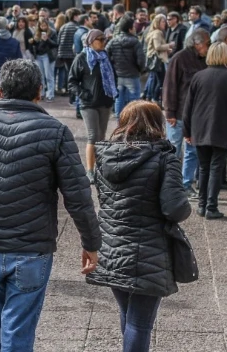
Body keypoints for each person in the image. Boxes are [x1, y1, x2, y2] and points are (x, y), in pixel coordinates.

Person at [0, 60, 101, 351]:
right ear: (38, 92)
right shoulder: (55, 132)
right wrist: (91, 241)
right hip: (32, 249)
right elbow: (78, 196)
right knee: (17, 335)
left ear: (0, 90)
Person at [87, 100, 192, 351]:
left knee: (129, 316)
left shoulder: (105, 156)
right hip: (149, 250)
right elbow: (175, 208)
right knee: (140, 323)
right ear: (158, 125)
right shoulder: (164, 157)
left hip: (111, 246)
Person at [183, 42, 227, 219]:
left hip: (199, 127)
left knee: (203, 167)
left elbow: (188, 106)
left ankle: (202, 205)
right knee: (216, 167)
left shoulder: (198, 76)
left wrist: (187, 131)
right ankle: (211, 207)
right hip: (221, 126)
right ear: (224, 56)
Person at [163, 29, 211, 194]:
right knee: (173, 150)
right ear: (197, 44)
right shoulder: (180, 58)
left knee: (192, 151)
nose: (208, 47)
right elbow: (169, 86)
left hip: (195, 114)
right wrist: (169, 112)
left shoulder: (204, 60)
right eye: (207, 43)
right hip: (179, 113)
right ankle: (170, 185)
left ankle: (185, 184)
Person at [68, 30, 117, 183]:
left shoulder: (106, 57)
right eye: (100, 39)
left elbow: (112, 77)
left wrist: (113, 92)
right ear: (90, 41)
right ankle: (89, 171)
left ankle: (100, 169)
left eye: (105, 39)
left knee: (102, 138)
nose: (103, 42)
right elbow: (72, 81)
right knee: (92, 136)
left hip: (105, 102)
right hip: (88, 104)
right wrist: (83, 94)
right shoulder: (82, 58)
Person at [106, 16, 146, 118]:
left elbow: (105, 56)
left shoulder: (113, 41)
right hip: (132, 75)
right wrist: (140, 70)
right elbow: (141, 60)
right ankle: (133, 121)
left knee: (119, 99)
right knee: (134, 101)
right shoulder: (136, 42)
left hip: (118, 74)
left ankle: (120, 122)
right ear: (130, 29)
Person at [143, 15, 172, 105]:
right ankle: (154, 98)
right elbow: (157, 46)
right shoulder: (157, 33)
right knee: (160, 81)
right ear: (158, 22)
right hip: (158, 60)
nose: (165, 23)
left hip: (155, 59)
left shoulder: (153, 32)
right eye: (163, 21)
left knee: (154, 79)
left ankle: (150, 97)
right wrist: (169, 45)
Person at [30, 16, 57, 101]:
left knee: (49, 76)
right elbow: (35, 44)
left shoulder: (52, 32)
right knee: (40, 76)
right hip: (38, 56)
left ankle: (50, 95)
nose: (43, 27)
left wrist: (47, 39)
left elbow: (56, 44)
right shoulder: (36, 32)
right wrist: (33, 41)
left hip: (47, 56)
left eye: (44, 25)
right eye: (41, 26)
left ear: (47, 25)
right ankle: (41, 93)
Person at [55, 9, 81, 96]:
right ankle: (71, 91)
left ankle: (66, 89)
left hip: (63, 53)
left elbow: (58, 40)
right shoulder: (76, 27)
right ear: (75, 16)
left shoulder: (63, 26)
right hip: (72, 53)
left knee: (68, 72)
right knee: (73, 73)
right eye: (78, 15)